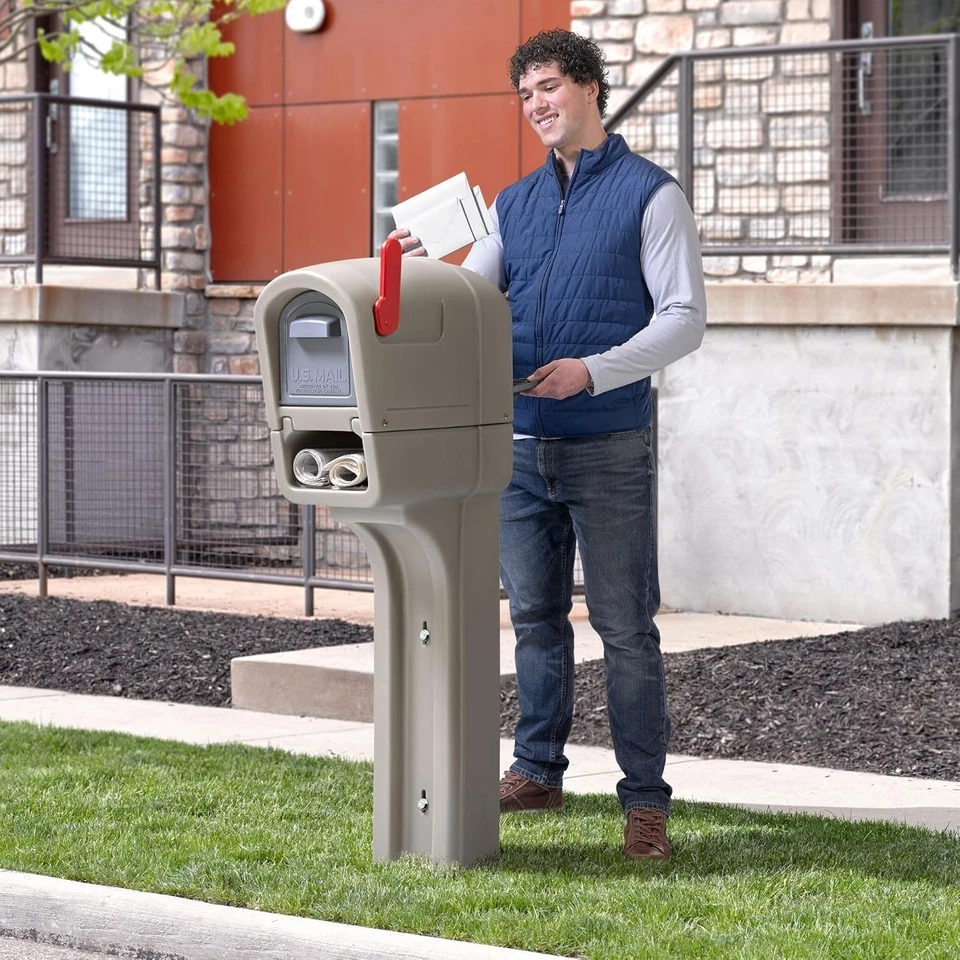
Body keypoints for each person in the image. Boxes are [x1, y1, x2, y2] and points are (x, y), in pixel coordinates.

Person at [390, 28, 706, 861]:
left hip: (607, 444)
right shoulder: (511, 204)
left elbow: (683, 322)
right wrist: (420, 265)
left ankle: (645, 804)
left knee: (626, 628)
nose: (536, 105)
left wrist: (595, 372)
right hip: (522, 448)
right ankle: (538, 770)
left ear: (590, 87)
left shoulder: (651, 195)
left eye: (549, 87)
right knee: (534, 619)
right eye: (525, 94)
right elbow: (470, 296)